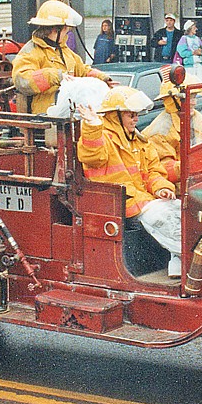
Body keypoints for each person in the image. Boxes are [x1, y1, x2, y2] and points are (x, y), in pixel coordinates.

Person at [76, 87, 181, 277]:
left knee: (180, 209)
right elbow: (92, 156)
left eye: (136, 114)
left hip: (142, 201)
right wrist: (92, 126)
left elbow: (154, 171)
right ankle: (185, 261)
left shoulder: (139, 140)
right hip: (121, 204)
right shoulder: (101, 136)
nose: (136, 119)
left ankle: (180, 261)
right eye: (130, 114)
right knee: (164, 217)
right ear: (115, 116)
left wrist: (161, 188)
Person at [12, 0, 111, 114]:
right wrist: (55, 76)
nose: (67, 33)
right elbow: (22, 81)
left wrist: (102, 77)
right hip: (46, 118)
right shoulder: (31, 52)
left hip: (69, 114)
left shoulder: (63, 50)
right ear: (56, 30)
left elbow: (82, 70)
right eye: (66, 30)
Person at [142, 78, 202, 183]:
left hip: (198, 180)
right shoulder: (160, 132)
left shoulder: (196, 116)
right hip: (177, 189)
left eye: (194, 97)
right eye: (190, 98)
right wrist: (197, 164)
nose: (194, 103)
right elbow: (164, 171)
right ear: (173, 100)